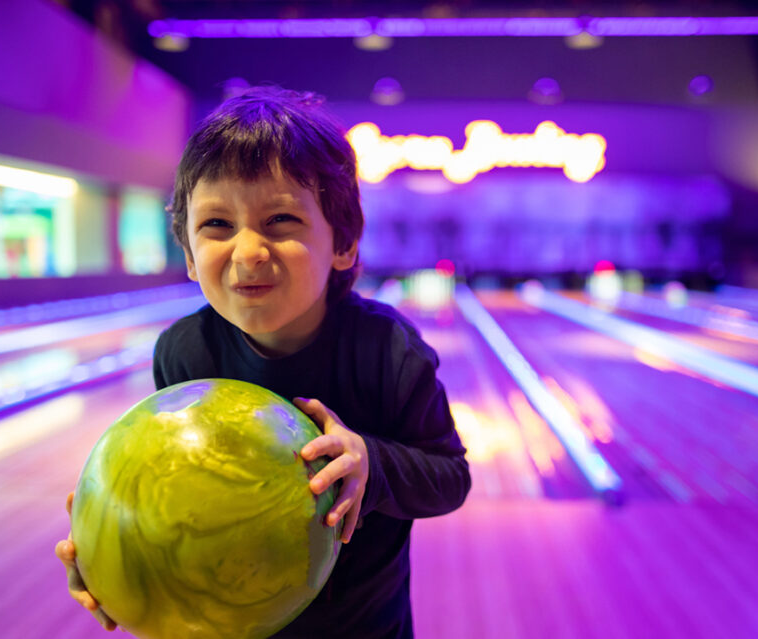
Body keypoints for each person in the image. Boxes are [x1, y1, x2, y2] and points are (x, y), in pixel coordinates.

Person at [55, 86, 471, 638]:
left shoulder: (388, 351)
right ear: (187, 253)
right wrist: (117, 561)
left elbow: (450, 478)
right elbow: (167, 501)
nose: (248, 251)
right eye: (217, 225)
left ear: (342, 241)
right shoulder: (184, 353)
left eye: (280, 220)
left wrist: (370, 461)